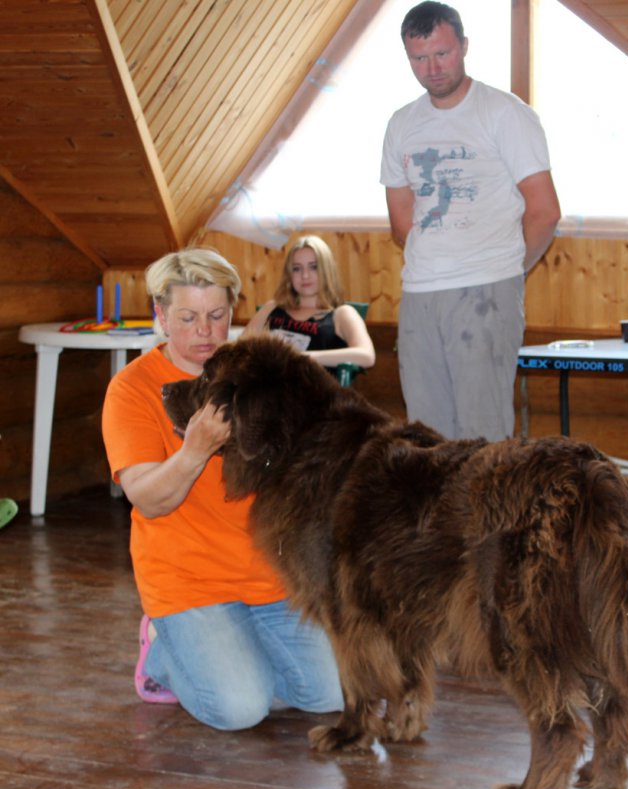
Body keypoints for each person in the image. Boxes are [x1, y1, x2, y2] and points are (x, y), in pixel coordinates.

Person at [101, 247, 343, 730]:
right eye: (187, 318)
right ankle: (164, 654)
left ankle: (230, 655)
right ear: (161, 315)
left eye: (217, 316)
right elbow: (146, 498)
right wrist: (194, 450)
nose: (205, 333)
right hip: (188, 583)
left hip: (269, 577)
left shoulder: (261, 374)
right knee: (239, 711)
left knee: (332, 695)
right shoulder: (133, 388)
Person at [380, 1, 561, 441]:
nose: (432, 68)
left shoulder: (504, 113)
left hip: (487, 288)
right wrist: (437, 259)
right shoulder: (401, 124)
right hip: (421, 291)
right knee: (426, 437)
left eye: (442, 53)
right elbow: (401, 222)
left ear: (463, 46)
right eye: (419, 58)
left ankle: (486, 514)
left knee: (483, 438)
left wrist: (504, 271)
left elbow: (545, 211)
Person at [242, 235, 375, 376]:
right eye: (297, 269)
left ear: (326, 270)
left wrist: (300, 357)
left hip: (315, 392)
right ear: (289, 275)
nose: (305, 275)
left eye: (313, 267)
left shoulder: (343, 314)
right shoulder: (271, 308)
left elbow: (366, 356)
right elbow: (238, 351)